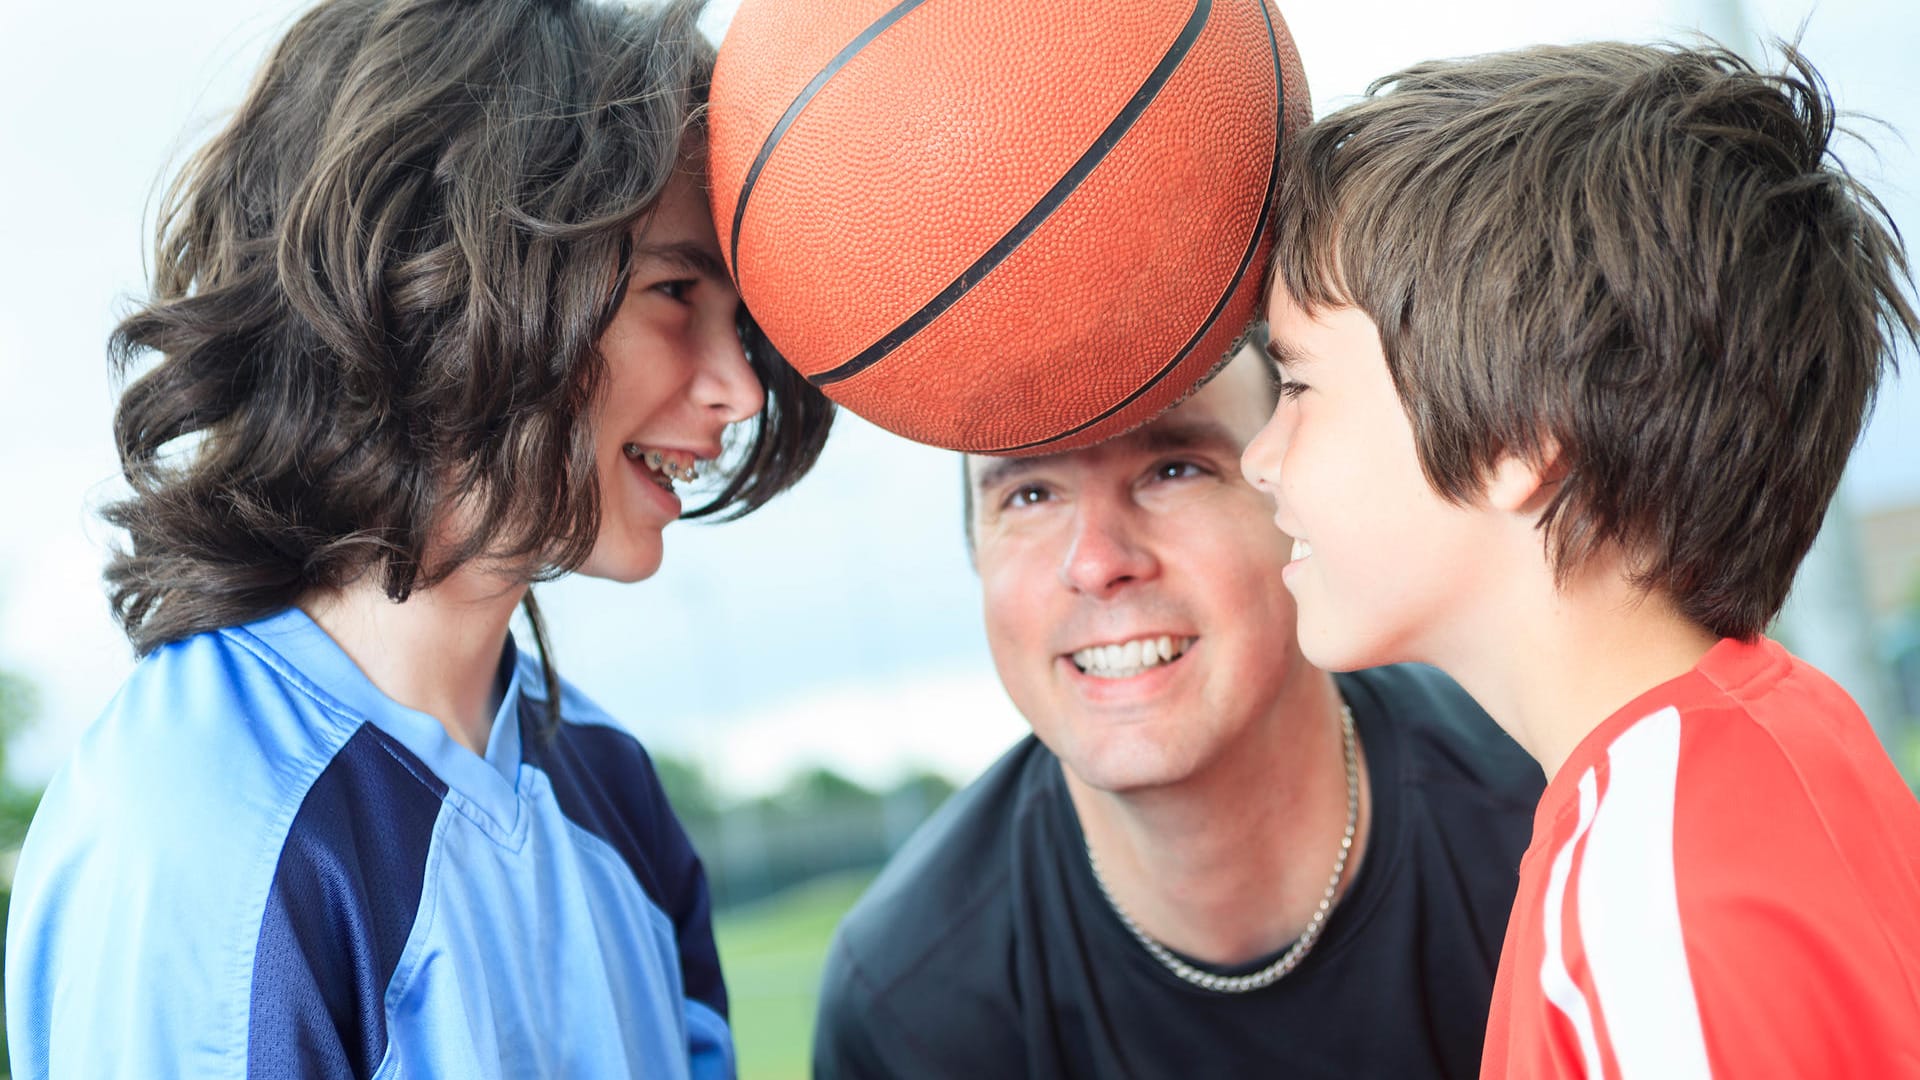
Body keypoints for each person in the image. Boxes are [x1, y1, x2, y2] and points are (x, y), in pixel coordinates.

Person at [5, 0, 833, 1076]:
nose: (737, 390)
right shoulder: (202, 833)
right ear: (444, 281)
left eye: (744, 328)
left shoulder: (608, 782)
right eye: (677, 292)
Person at [1241, 41, 1920, 1078]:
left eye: (1296, 387)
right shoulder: (1788, 734)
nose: (1259, 457)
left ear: (1522, 440)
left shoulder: (1643, 906)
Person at [812, 341, 1544, 1078]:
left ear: (1297, 509)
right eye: (1029, 494)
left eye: (1174, 470)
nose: (1096, 563)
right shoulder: (908, 1008)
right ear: (976, 553)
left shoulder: (1548, 819)